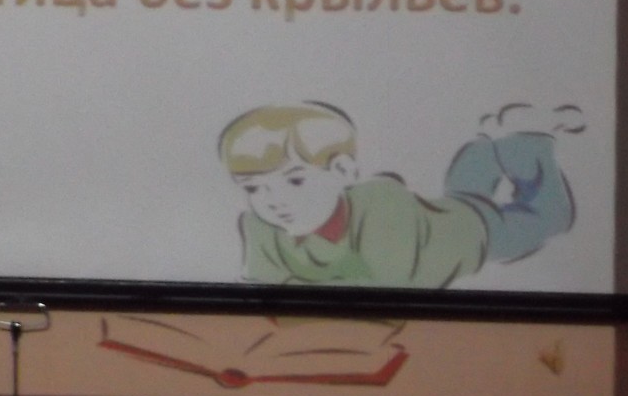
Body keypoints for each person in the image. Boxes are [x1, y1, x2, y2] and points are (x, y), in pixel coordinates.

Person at [218, 101, 579, 287]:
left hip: (468, 233)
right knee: (463, 195)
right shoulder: (259, 224)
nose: (272, 200)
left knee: (547, 218)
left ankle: (530, 138)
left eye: (295, 181)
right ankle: (490, 143)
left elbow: (385, 290)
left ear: (342, 171)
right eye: (252, 187)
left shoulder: (382, 202)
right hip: (436, 215)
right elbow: (265, 295)